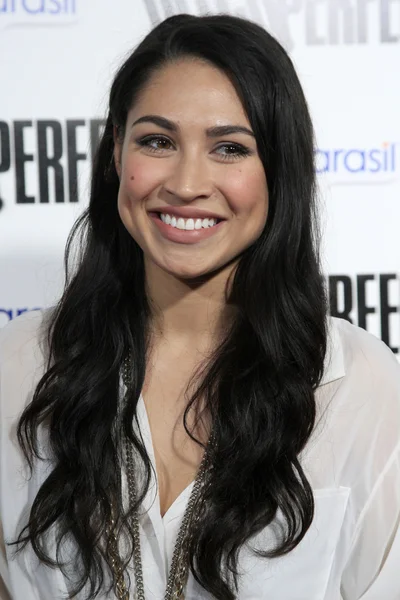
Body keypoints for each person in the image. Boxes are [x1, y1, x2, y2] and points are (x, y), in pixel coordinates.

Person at [0, 12, 399, 600]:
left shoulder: (364, 389)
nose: (187, 183)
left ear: (279, 171)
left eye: (229, 148)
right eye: (157, 141)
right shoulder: (17, 367)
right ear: (116, 154)